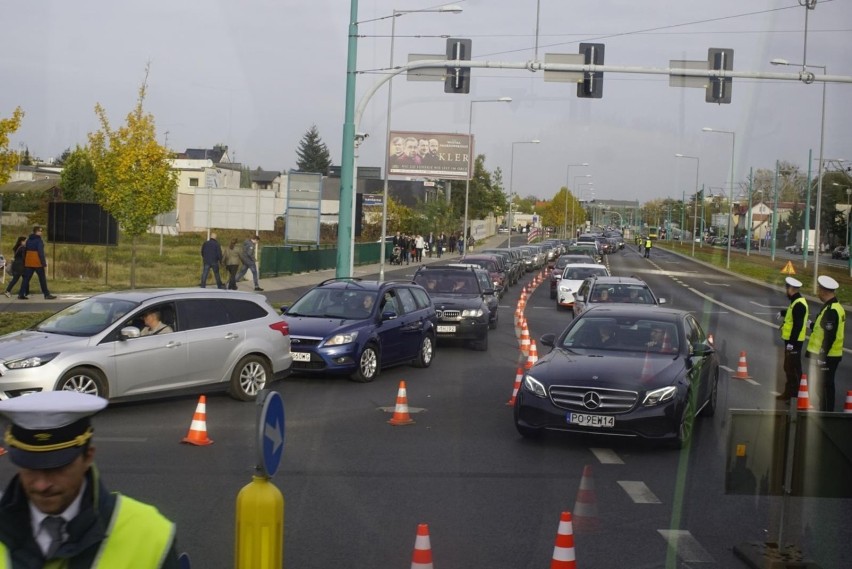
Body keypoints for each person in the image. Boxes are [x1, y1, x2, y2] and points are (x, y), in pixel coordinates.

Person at [0, 391, 182, 567]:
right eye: (30, 467)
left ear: (88, 456)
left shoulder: (151, 535)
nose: (41, 485)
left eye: (56, 468)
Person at [805, 275, 845, 412]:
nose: (818, 292)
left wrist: (823, 356)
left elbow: (830, 336)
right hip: (830, 355)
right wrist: (812, 325)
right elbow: (824, 328)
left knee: (825, 387)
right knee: (821, 387)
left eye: (819, 290)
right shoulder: (832, 307)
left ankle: (827, 415)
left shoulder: (832, 310)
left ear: (824, 292)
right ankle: (825, 412)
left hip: (828, 356)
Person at [776, 276, 808, 401]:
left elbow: (798, 325)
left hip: (794, 342)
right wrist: (783, 313)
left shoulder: (799, 304)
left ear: (791, 289)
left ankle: (795, 396)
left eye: (787, 288)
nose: (786, 291)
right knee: (788, 367)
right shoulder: (795, 301)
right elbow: (792, 313)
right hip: (790, 341)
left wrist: (792, 344)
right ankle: (788, 394)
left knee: (794, 368)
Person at [19, 225, 57, 300]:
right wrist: (43, 263)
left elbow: (24, 250)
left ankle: (21, 294)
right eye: (40, 231)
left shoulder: (28, 239)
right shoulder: (39, 240)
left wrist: (25, 260)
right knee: (42, 279)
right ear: (36, 232)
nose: (41, 232)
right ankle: (46, 294)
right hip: (37, 262)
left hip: (29, 261)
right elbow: (40, 253)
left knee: (26, 279)